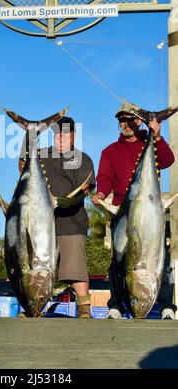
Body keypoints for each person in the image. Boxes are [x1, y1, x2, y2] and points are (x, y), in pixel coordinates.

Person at [92, 103, 177, 320]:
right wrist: (101, 194)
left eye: (130, 119)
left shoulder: (147, 144)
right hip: (122, 215)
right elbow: (105, 178)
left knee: (161, 258)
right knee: (118, 260)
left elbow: (168, 160)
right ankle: (116, 306)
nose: (125, 124)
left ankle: (167, 306)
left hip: (151, 215)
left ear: (139, 121)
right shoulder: (109, 151)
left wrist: (156, 134)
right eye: (121, 120)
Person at [19, 116, 96, 318]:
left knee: (76, 266)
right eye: (57, 133)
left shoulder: (83, 159)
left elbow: (85, 187)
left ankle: (84, 307)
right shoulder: (42, 155)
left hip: (71, 223)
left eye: (66, 132)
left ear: (74, 135)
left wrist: (66, 201)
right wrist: (29, 135)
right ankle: (33, 306)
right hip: (41, 227)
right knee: (37, 267)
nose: (61, 136)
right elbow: (23, 167)